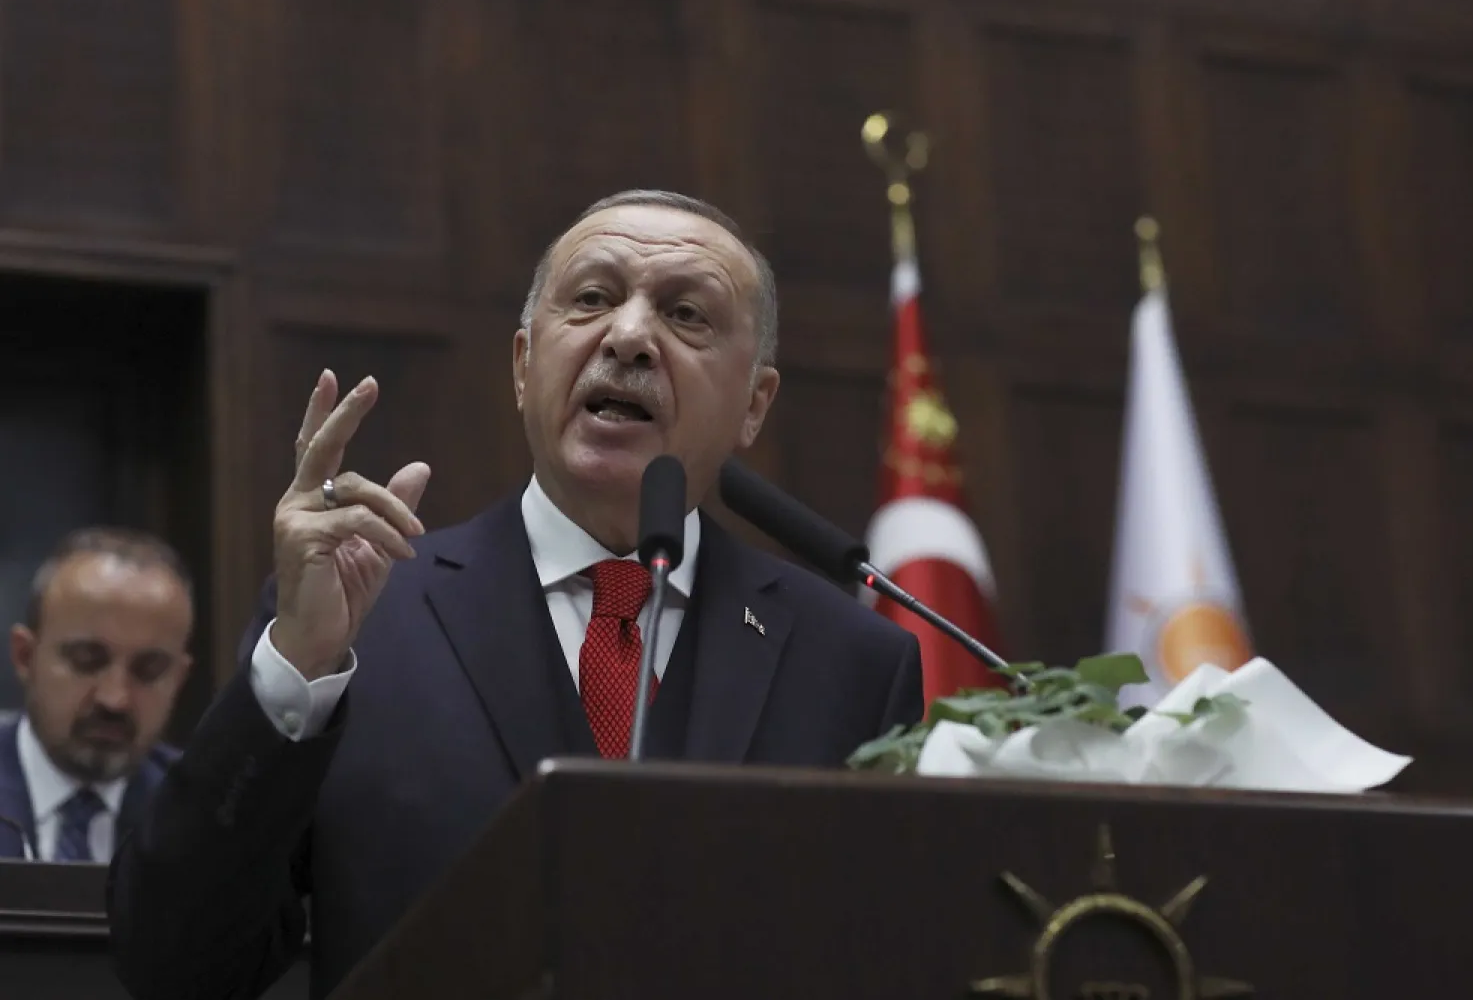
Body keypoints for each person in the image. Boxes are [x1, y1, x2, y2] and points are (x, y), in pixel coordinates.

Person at [108, 190, 924, 999]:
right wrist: (295, 668)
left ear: (754, 403)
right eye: (594, 299)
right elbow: (176, 967)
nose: (631, 337)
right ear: (523, 364)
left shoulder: (851, 662)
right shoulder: (363, 619)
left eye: (686, 314)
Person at [0, 528, 193, 862]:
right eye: (86, 661)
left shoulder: (205, 813)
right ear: (25, 656)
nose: (115, 698)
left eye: (148, 670)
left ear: (178, 678)